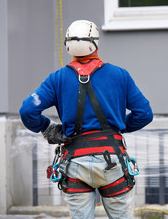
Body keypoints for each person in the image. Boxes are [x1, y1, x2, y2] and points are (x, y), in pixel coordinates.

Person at [20, 20, 153, 219]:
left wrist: (49, 129)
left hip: (75, 161)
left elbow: (27, 110)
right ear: (96, 44)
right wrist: (119, 127)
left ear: (67, 46)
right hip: (112, 160)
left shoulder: (57, 78)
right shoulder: (120, 75)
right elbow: (144, 114)